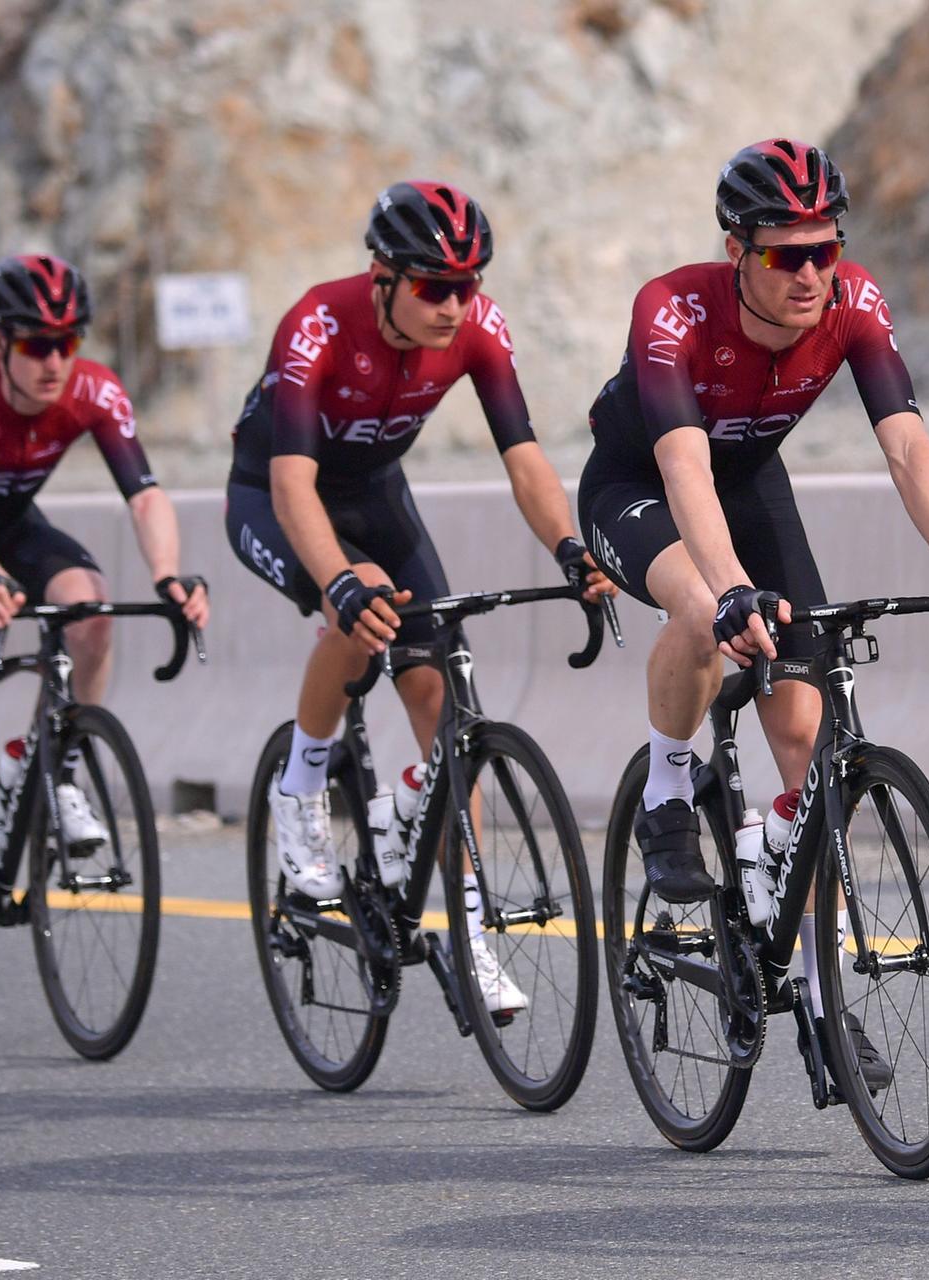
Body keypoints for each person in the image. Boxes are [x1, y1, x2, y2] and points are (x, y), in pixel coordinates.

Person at [577, 137, 929, 1080]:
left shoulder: (853, 301)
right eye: (787, 254)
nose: (813, 272)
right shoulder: (673, 307)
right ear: (738, 248)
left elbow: (907, 445)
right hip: (640, 485)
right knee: (700, 607)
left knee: (806, 740)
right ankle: (666, 787)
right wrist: (730, 589)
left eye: (827, 248)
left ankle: (815, 986)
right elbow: (684, 469)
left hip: (751, 482)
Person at [224, 180, 612, 1015]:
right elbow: (291, 483)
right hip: (275, 496)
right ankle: (300, 786)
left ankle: (470, 936)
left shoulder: (478, 329)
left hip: (375, 494)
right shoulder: (317, 324)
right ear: (382, 276)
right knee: (358, 612)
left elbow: (525, 458)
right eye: (435, 287)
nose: (454, 305)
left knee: (438, 688)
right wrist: (334, 578)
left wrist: (571, 547)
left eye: (468, 287)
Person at [0, 254, 211, 982]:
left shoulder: (94, 390)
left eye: (69, 341)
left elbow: (147, 496)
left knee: (90, 609)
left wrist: (166, 575)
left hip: (14, 527)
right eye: (36, 344)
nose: (55, 360)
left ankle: (49, 767)